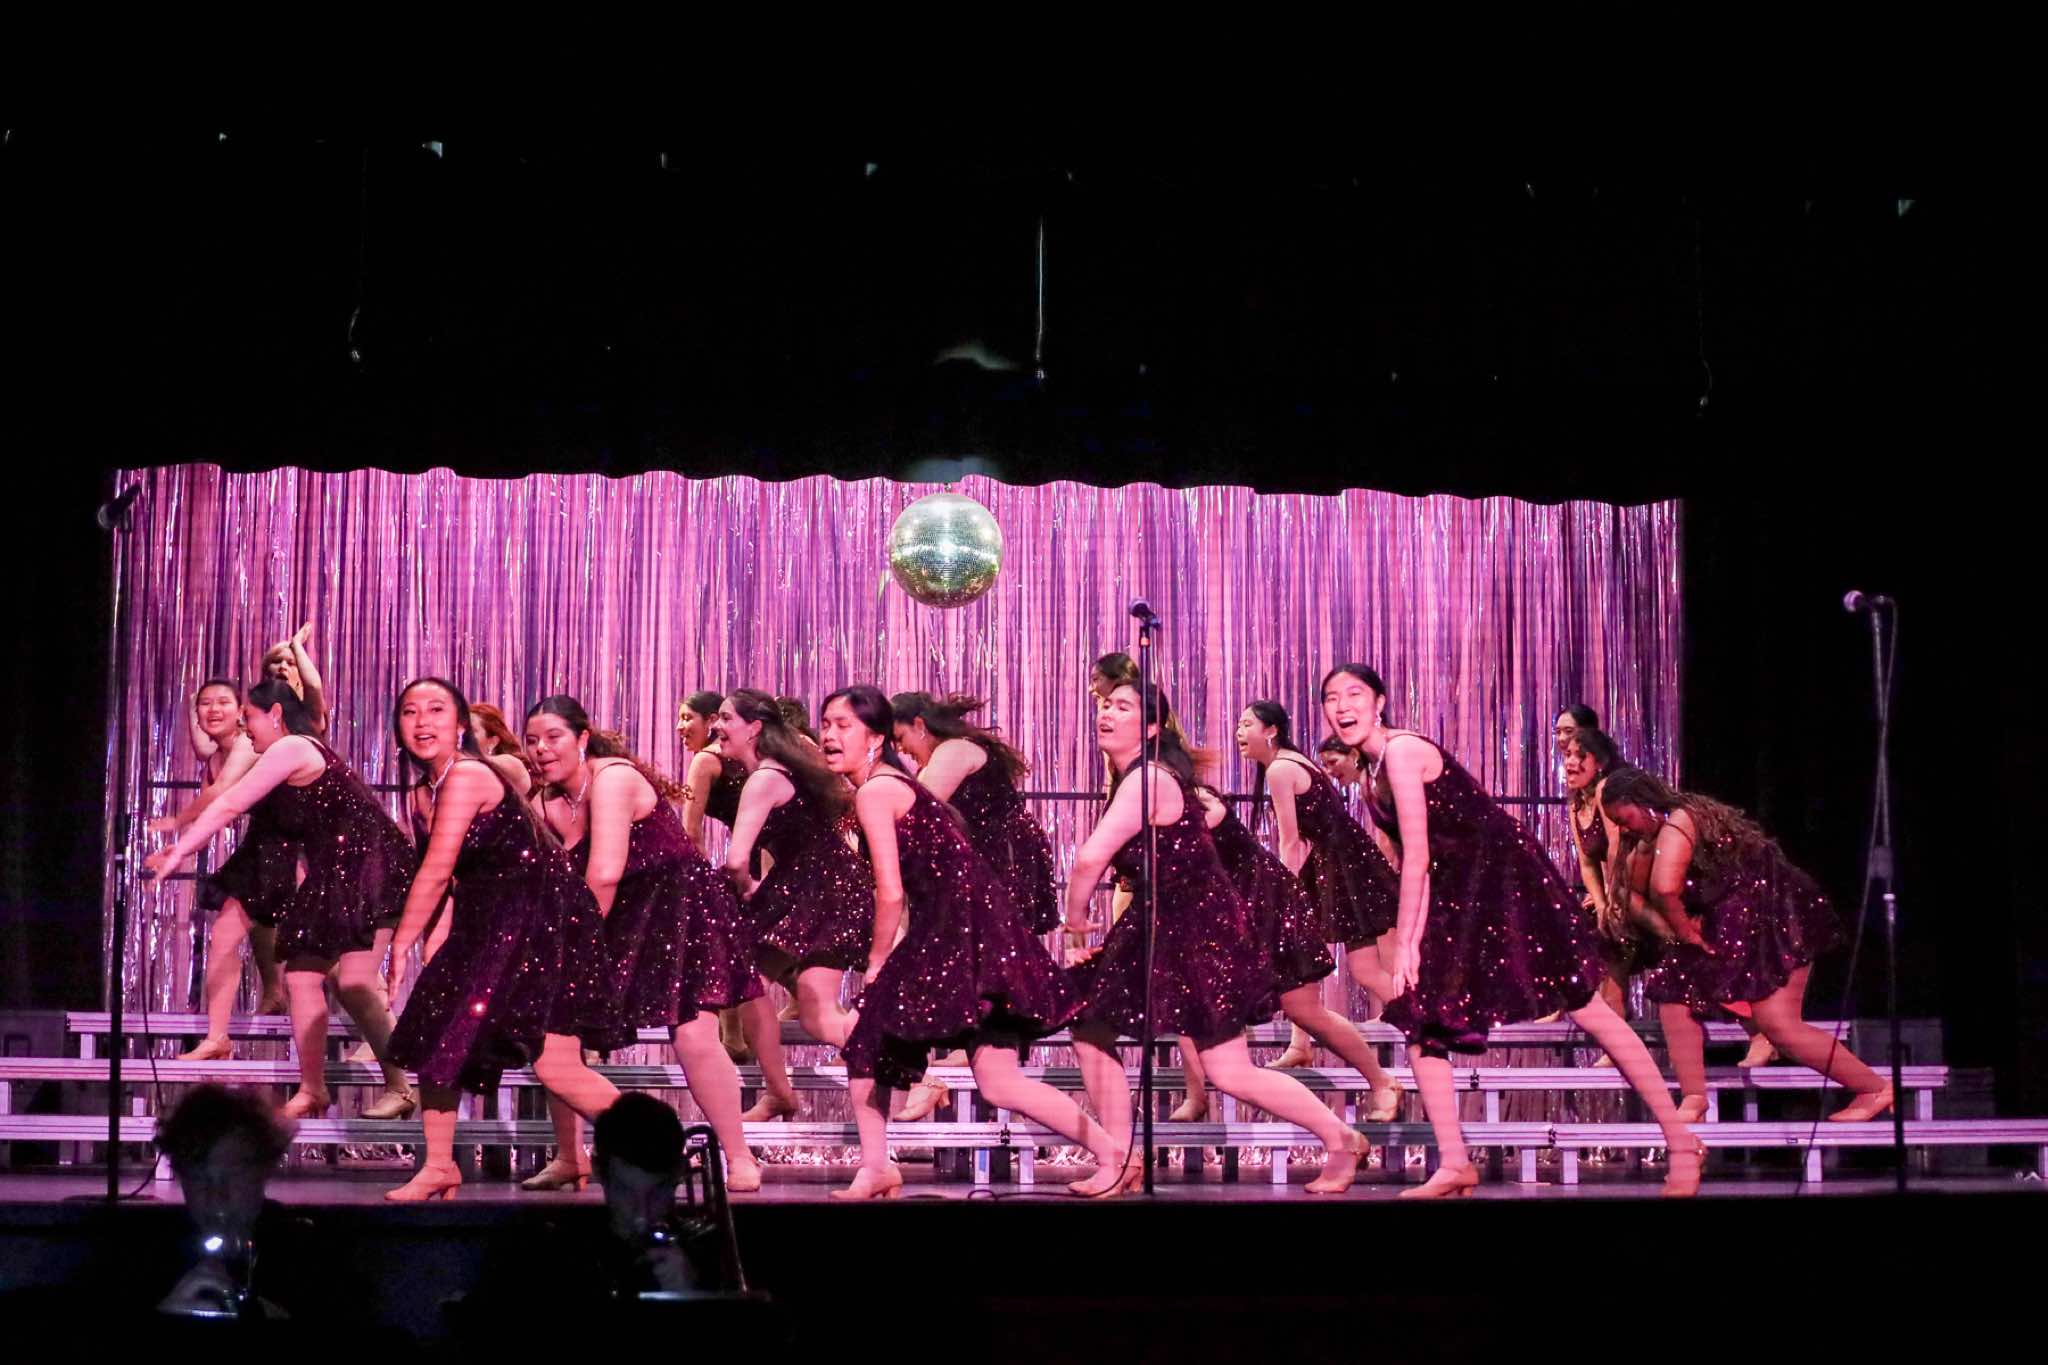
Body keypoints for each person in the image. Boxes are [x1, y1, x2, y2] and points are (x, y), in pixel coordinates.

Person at [1324, 662, 1703, 1197]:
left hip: (1505, 880)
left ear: (1379, 702)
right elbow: (1416, 863)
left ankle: (1681, 1142)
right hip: (1460, 892)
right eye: (1331, 698)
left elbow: (1420, 856)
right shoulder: (1368, 774)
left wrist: (1406, 942)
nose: (1342, 706)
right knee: (1422, 1019)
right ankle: (1455, 1163)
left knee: (1587, 1006)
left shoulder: (1403, 752)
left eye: (1354, 694)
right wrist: (1411, 938)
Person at [1064, 681, 1369, 1195]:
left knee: (1216, 1066)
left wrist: (1075, 928)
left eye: (1123, 706)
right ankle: (1122, 1158)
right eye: (1105, 705)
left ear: (1152, 727)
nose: (1107, 713)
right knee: (1108, 1032)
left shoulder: (1148, 779)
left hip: (1196, 933)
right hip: (1170, 927)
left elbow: (1090, 860)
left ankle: (1340, 1138)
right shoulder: (1141, 779)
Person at [825, 686, 1126, 1198]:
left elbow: (891, 892)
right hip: (973, 929)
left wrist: (876, 962)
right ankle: (1114, 1154)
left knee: (868, 1042)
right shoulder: (896, 785)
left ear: (875, 738)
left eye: (843, 725)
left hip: (959, 932)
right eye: (826, 724)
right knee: (998, 1082)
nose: (829, 735)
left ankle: (876, 1168)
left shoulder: (877, 791)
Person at [383, 678, 620, 1200]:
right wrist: (436, 943)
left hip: (541, 923)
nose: (422, 722)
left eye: (436, 710)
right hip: (489, 921)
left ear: (461, 725)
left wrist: (399, 944)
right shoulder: (423, 792)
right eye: (409, 712)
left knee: (556, 1064)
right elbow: (456, 880)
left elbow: (437, 871)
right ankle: (439, 1165)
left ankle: (657, 1150)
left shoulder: (467, 775)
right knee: (438, 1027)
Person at [144, 677, 415, 1122]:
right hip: (334, 872)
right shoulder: (281, 754)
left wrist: (179, 851)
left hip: (371, 866)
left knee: (353, 982)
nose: (244, 727)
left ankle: (400, 1085)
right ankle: (312, 1089)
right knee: (302, 977)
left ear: (274, 714)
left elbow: (229, 803)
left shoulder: (293, 747)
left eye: (248, 717)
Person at [526, 695, 764, 1193]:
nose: (542, 749)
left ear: (582, 738)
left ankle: (738, 1157)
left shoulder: (612, 778)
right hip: (615, 918)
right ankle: (572, 1155)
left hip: (678, 913)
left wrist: (571, 950)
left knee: (694, 1037)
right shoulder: (544, 802)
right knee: (557, 1034)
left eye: (553, 737)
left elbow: (604, 873)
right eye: (532, 741)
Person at [1601, 767, 1894, 1123]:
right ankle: (1694, 1097)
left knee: (1779, 1026)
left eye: (1624, 819)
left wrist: (1686, 934)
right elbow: (1633, 890)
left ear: (1642, 801)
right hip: (1743, 921)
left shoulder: (1680, 821)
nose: (1624, 829)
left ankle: (1873, 1088)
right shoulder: (1656, 836)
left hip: (1776, 916)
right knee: (1676, 991)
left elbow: (1664, 887)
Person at [887, 690, 1060, 1121]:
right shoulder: (949, 753)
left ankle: (947, 1066)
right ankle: (940, 1065)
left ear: (920, 725)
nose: (902, 750)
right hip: (982, 867)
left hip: (999, 866)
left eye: (901, 738)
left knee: (983, 962)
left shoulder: (954, 751)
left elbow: (914, 813)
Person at [715, 689, 868, 1123]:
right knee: (818, 1015)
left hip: (814, 891)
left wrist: (747, 886)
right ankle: (905, 1061)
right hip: (830, 888)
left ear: (754, 728)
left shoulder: (764, 778)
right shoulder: (786, 769)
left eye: (726, 718)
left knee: (742, 978)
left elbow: (736, 860)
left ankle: (779, 1092)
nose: (717, 726)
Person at [150, 679, 287, 1057]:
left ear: (241, 712)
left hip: (299, 844)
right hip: (267, 844)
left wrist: (177, 822)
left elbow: (221, 793)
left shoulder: (244, 744)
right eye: (205, 704)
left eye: (222, 702)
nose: (213, 710)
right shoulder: (214, 759)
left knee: (331, 949)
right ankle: (217, 1037)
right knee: (224, 935)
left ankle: (381, 1027)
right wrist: (180, 851)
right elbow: (214, 817)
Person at [154, 1085, 296, 1321]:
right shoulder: (151, 1259)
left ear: (265, 1171)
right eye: (199, 1178)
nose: (217, 1196)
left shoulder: (306, 1256)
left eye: (234, 1176)